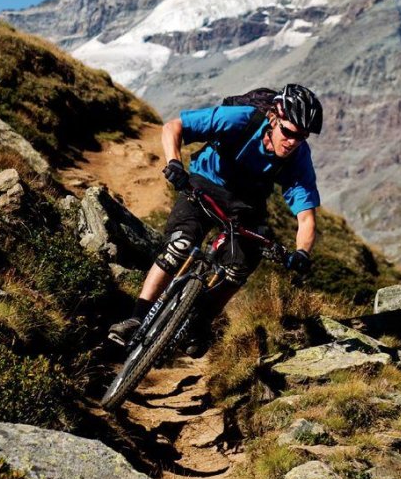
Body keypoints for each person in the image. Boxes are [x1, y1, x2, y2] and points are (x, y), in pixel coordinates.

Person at [108, 84, 323, 356]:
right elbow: (173, 127)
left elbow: (306, 218)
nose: (293, 142)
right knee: (178, 248)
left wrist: (302, 252)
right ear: (274, 118)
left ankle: (199, 323)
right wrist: (174, 163)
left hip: (246, 204)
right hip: (205, 183)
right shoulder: (241, 119)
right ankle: (137, 317)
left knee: (238, 269)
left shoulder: (298, 158)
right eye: (289, 132)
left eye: (301, 136)